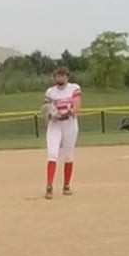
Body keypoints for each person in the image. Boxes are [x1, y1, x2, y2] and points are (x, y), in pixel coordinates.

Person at [42, 67, 83, 199]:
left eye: (63, 75)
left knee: (68, 156)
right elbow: (46, 109)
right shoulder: (50, 92)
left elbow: (76, 106)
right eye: (58, 76)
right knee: (52, 154)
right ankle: (49, 186)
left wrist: (66, 114)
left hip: (70, 124)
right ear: (54, 78)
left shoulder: (74, 88)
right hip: (55, 125)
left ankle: (66, 185)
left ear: (67, 77)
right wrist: (51, 115)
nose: (60, 78)